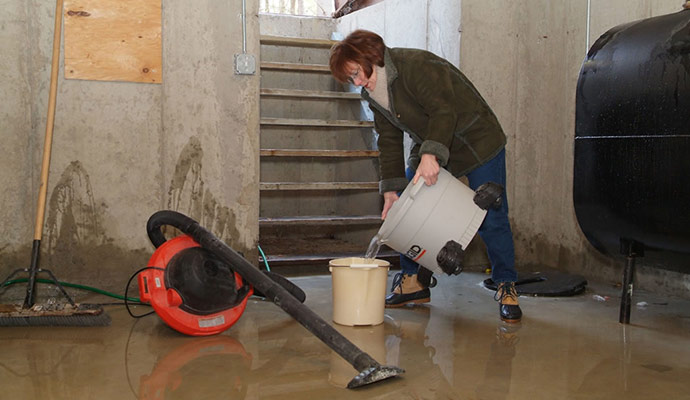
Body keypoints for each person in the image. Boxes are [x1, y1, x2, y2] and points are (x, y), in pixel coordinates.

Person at [329, 30, 522, 323]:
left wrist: (430, 155)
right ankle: (413, 282)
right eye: (350, 80)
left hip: (477, 141)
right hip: (434, 144)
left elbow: (444, 111)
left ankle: (506, 285)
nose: (357, 83)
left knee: (491, 217)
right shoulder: (372, 93)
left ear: (371, 56)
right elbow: (389, 139)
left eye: (356, 73)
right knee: (408, 212)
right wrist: (392, 190)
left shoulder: (415, 65)